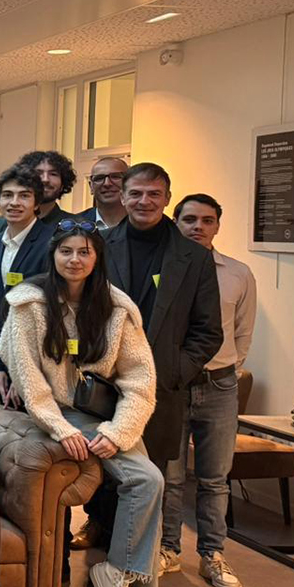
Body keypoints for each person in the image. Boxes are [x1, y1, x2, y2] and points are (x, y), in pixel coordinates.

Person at [0, 223, 184, 587]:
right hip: (58, 414)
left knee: (149, 480)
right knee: (147, 479)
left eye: (84, 252)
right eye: (66, 251)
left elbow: (140, 380)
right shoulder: (27, 305)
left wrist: (119, 433)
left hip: (109, 415)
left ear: (97, 258)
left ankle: (124, 579)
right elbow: (30, 381)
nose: (75, 260)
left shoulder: (119, 308)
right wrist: (60, 429)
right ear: (53, 256)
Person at [102, 163, 222, 467]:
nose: (145, 201)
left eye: (154, 194)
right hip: (104, 384)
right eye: (136, 193)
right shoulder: (98, 247)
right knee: (99, 480)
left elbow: (208, 330)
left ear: (168, 198)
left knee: (150, 477)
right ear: (123, 197)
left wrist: (173, 371)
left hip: (160, 390)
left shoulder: (194, 257)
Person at [162, 192, 253, 587]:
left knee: (216, 478)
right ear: (176, 222)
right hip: (174, 383)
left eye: (207, 220)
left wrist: (227, 369)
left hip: (219, 384)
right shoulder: (165, 268)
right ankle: (167, 550)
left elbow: (243, 331)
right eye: (189, 219)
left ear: (218, 225)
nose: (198, 227)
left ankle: (213, 555)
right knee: (171, 474)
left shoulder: (237, 273)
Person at [0, 164, 50, 408]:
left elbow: (52, 315)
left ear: (37, 203)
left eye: (24, 196)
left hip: (39, 364)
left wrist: (26, 373)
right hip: (2, 362)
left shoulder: (52, 242)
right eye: (7, 195)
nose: (14, 202)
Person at [83, 156, 129, 229]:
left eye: (115, 176)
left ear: (129, 182)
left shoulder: (144, 222)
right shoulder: (75, 225)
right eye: (99, 178)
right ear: (91, 186)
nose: (107, 183)